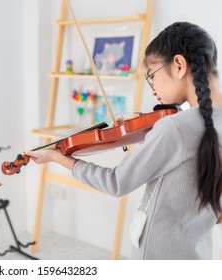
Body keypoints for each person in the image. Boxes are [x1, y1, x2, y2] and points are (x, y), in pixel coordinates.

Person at [25, 22, 222, 259]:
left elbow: (115, 183)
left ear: (179, 65)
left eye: (152, 76)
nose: (153, 89)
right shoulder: (193, 126)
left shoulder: (175, 127)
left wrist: (58, 158)